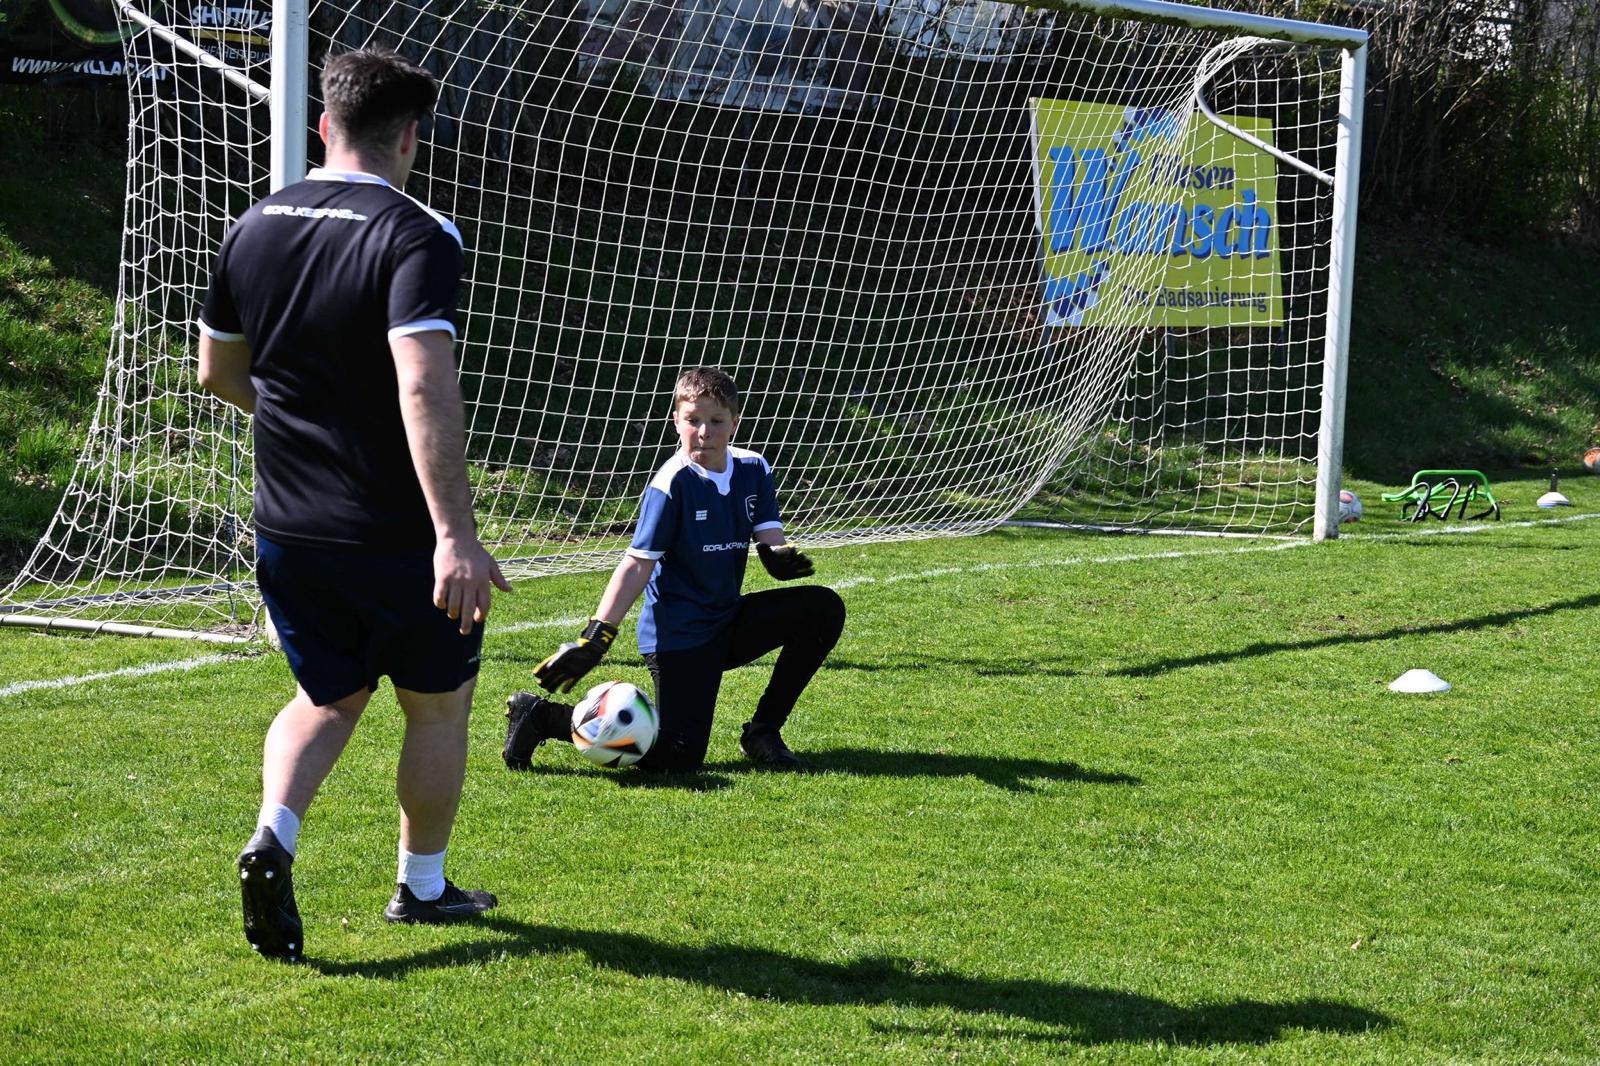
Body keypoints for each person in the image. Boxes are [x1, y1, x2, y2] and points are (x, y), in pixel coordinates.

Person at [196, 48, 510, 962]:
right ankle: (422, 888)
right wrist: (455, 534)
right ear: (410, 137)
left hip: (288, 524)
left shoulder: (253, 224)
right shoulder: (418, 234)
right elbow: (423, 383)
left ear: (326, 124)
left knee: (327, 696)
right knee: (437, 707)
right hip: (395, 531)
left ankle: (273, 836)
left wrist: (307, 430)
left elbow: (216, 371)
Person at [503, 366, 845, 773]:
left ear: (735, 422)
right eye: (693, 420)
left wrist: (777, 556)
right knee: (678, 756)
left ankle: (763, 732)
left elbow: (770, 535)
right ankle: (543, 716)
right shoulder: (671, 484)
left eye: (716, 421)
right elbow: (637, 564)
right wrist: (596, 637)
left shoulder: (754, 468)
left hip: (727, 620)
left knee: (822, 609)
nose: (704, 431)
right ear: (676, 421)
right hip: (679, 638)